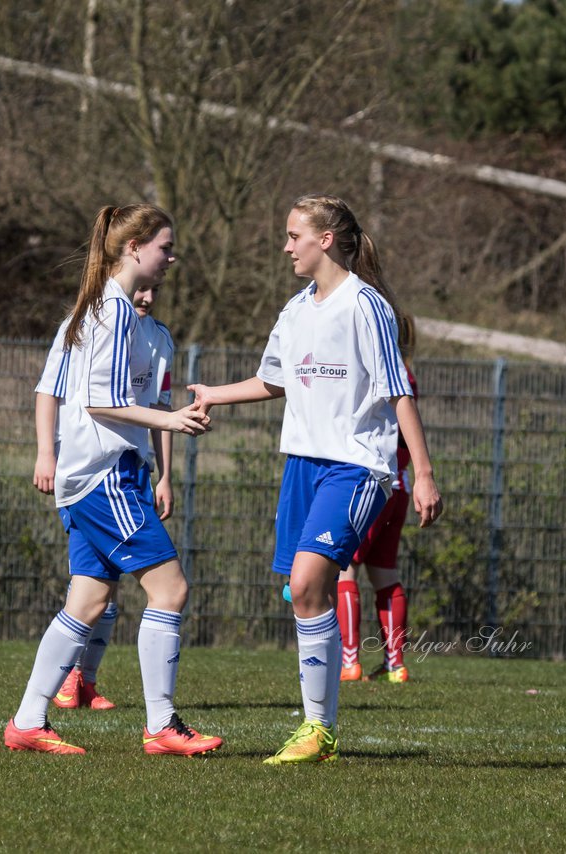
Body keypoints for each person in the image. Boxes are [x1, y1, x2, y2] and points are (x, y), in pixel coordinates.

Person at [189, 194, 442, 764]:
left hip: (357, 466)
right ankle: (318, 730)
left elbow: (397, 390)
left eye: (293, 236)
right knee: (304, 595)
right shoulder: (295, 308)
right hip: (302, 464)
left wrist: (421, 473)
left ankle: (318, 730)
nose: (286, 247)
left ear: (324, 240)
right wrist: (215, 395)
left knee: (306, 584)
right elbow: (273, 380)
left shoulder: (366, 305)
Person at [6, 204, 222, 756]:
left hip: (92, 478)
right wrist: (169, 419)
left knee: (88, 601)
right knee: (170, 589)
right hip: (106, 477)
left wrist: (165, 453)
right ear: (134, 248)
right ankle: (161, 725)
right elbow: (103, 402)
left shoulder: (107, 309)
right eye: (165, 248)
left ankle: (28, 721)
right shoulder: (115, 311)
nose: (172, 258)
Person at [40, 279, 176, 712]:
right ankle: (158, 720)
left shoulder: (159, 339)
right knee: (166, 589)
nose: (148, 298)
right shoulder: (85, 324)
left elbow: (161, 409)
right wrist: (46, 453)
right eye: (143, 288)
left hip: (129, 470)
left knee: (96, 590)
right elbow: (50, 390)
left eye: (157, 290)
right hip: (98, 471)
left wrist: (165, 475)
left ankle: (54, 698)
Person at [337, 317, 419, 685]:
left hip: (372, 481)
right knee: (385, 572)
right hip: (399, 486)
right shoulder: (405, 372)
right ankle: (394, 664)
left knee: (345, 568)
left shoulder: (377, 368)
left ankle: (349, 661)